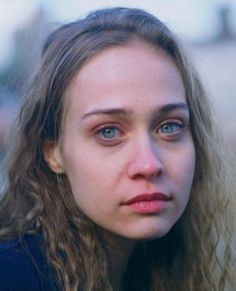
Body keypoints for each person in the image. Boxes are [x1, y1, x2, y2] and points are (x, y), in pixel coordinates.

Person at [0, 7, 235, 291]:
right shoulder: (14, 276)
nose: (149, 165)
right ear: (54, 152)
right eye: (108, 132)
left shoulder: (155, 268)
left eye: (169, 127)